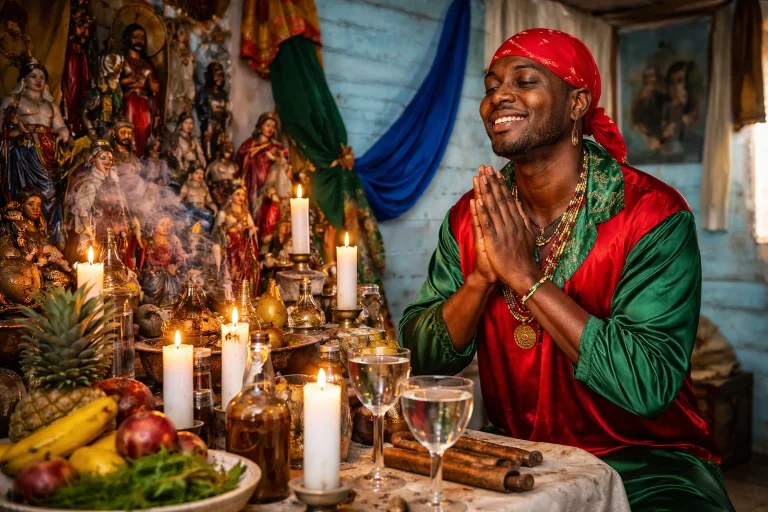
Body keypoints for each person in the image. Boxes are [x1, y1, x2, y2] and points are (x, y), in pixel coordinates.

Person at [400, 29, 734, 512]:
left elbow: (647, 384)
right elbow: (420, 359)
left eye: (525, 80)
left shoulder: (652, 215)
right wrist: (479, 280)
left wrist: (528, 278)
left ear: (577, 103)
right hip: (517, 455)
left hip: (645, 463)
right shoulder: (472, 218)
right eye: (492, 85)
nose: (499, 97)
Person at [0, 58, 70, 245]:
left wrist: (61, 135)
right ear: (23, 80)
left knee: (50, 194)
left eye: (42, 77)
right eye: (33, 76)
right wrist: (16, 131)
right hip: (23, 154)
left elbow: (62, 128)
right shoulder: (13, 100)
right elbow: (2, 128)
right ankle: (24, 240)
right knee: (25, 196)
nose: (38, 80)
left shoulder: (50, 105)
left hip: (47, 155)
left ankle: (51, 240)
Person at [120, 23, 160, 155]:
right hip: (129, 103)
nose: (139, 41)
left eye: (142, 38)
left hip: (144, 105)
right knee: (128, 132)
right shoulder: (122, 61)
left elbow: (155, 88)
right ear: (128, 39)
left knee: (144, 133)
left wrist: (149, 83)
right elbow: (115, 82)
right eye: (135, 37)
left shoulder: (146, 64)